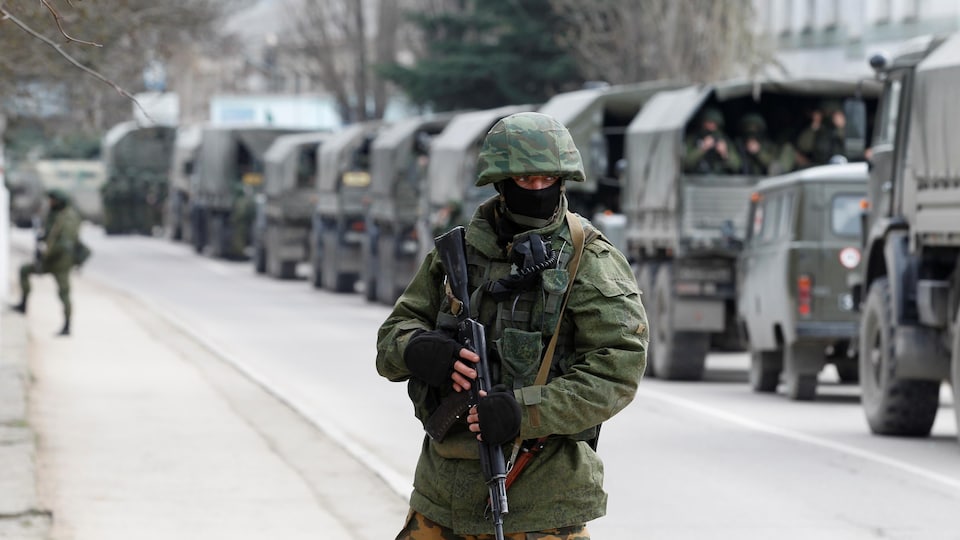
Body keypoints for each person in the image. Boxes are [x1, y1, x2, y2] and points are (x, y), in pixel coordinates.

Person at [376, 112, 648, 539]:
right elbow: (392, 336)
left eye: (547, 179)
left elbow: (616, 373)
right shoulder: (459, 254)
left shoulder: (589, 261)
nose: (538, 190)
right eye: (525, 180)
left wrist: (524, 411)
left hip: (541, 501)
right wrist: (419, 349)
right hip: (441, 497)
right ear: (501, 183)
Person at [11, 188, 83, 336]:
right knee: (24, 270)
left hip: (61, 262)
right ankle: (24, 304)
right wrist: (43, 239)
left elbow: (65, 243)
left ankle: (67, 325)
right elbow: (51, 234)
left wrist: (46, 251)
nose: (49, 202)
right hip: (49, 259)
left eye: (52, 200)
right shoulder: (54, 214)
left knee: (64, 292)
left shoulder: (68, 217)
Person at [683, 107, 741, 174]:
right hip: (696, 179)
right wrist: (703, 148)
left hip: (720, 180)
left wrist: (724, 153)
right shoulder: (693, 138)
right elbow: (685, 164)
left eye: (714, 123)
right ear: (702, 123)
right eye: (709, 122)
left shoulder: (724, 140)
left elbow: (737, 166)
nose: (711, 126)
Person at [795, 99, 846, 167]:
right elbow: (803, 146)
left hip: (843, 165)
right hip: (820, 166)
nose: (831, 117)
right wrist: (814, 126)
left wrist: (841, 127)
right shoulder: (819, 128)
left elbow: (853, 146)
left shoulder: (847, 128)